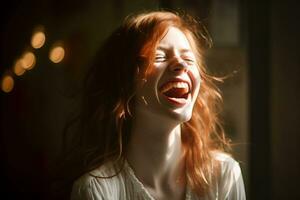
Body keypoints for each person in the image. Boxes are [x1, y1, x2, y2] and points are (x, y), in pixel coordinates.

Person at [67, 10, 246, 200]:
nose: (180, 64)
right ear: (125, 82)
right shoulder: (96, 191)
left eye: (188, 59)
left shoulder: (224, 176)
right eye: (159, 57)